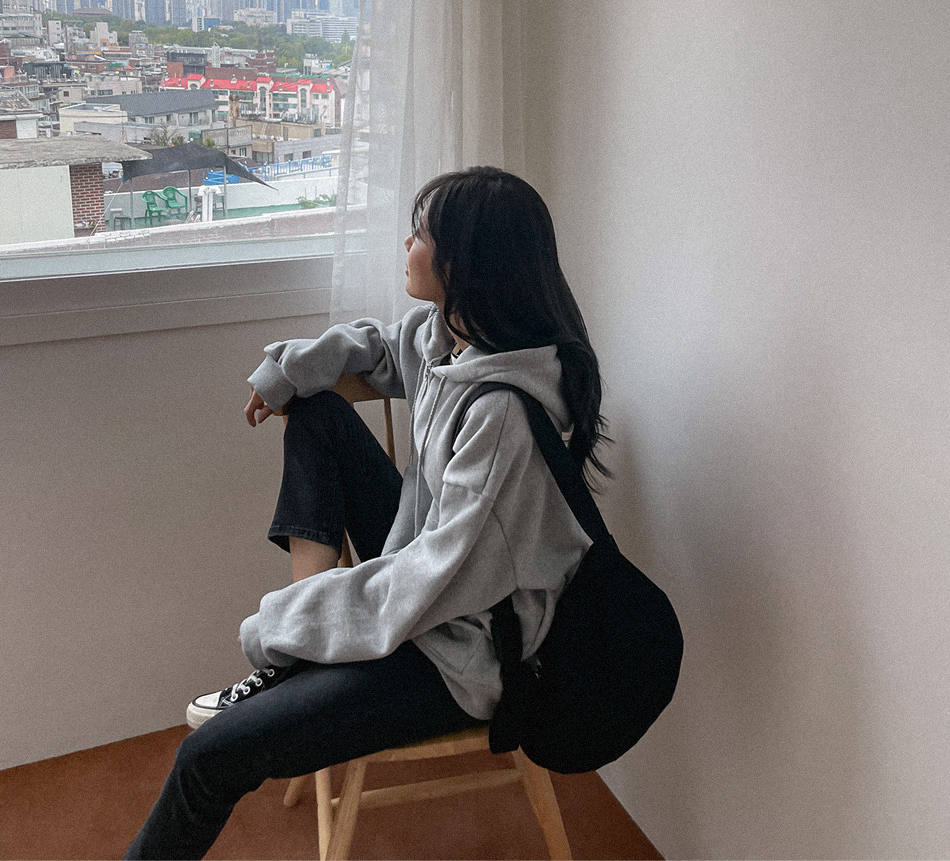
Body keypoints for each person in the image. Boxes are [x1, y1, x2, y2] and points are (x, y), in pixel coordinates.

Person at [125, 166, 610, 860]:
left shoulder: (503, 414)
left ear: (464, 264)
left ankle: (305, 648)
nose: (406, 245)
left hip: (466, 648)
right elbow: (382, 345)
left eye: (421, 234)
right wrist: (287, 371)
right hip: (430, 577)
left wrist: (288, 624)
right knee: (317, 413)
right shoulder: (452, 338)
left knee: (209, 756)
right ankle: (311, 646)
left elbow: (439, 581)